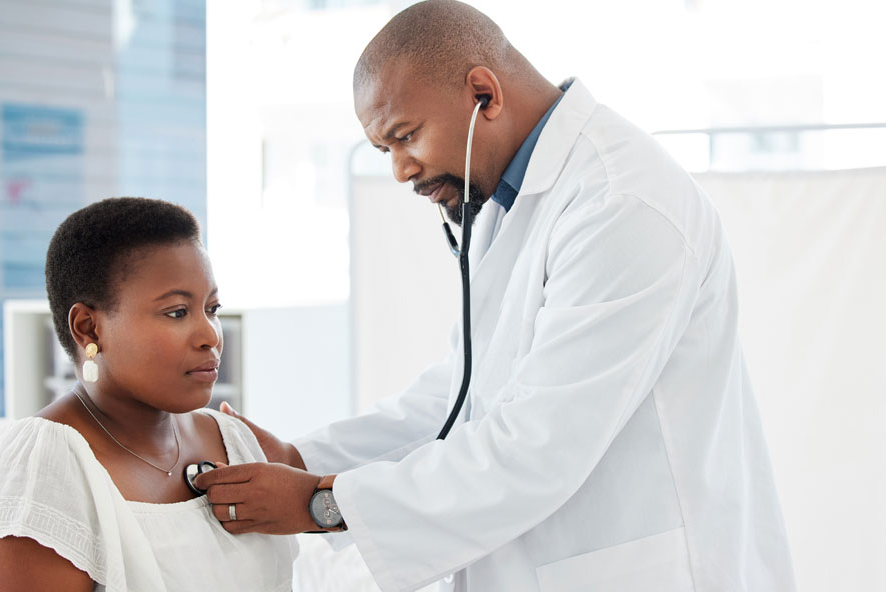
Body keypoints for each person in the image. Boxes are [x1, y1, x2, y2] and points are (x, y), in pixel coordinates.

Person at [195, 1, 796, 590]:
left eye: (406, 137)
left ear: (485, 94)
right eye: (386, 151)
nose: (401, 171)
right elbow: (463, 394)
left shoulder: (622, 202)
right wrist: (302, 459)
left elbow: (538, 447)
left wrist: (320, 504)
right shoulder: (509, 199)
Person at [0, 198, 296, 591]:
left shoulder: (233, 440)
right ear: (89, 329)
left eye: (211, 308)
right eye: (177, 312)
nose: (211, 335)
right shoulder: (40, 470)